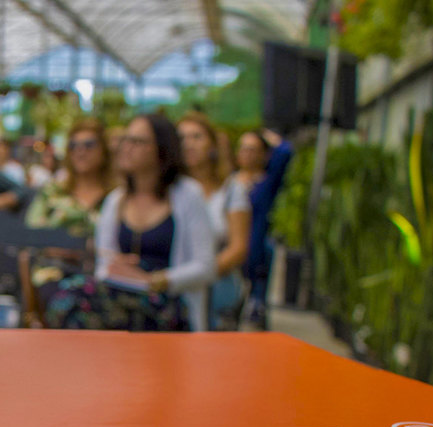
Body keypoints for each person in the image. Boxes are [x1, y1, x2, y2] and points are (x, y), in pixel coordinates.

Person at [43, 114, 215, 332]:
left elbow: (206, 267)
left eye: (137, 141)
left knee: (77, 304)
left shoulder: (188, 195)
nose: (126, 147)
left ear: (161, 149)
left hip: (170, 304)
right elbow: (104, 266)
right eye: (126, 140)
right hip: (122, 298)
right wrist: (118, 270)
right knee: (67, 299)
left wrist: (155, 280)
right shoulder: (116, 200)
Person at [21, 118, 114, 326]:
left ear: (104, 150)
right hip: (55, 272)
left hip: (104, 276)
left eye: (89, 145)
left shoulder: (116, 196)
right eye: (73, 145)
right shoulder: (53, 191)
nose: (80, 151)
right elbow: (32, 234)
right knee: (69, 305)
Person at [178, 112, 250, 330]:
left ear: (212, 145)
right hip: (174, 291)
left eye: (196, 136)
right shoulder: (170, 189)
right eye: (181, 138)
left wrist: (198, 274)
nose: (188, 144)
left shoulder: (231, 190)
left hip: (217, 289)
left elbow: (238, 248)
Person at [235, 128, 293, 328]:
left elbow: (285, 153)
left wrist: (274, 139)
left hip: (255, 254)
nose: (246, 154)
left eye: (252, 149)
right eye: (243, 148)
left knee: (254, 315)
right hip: (230, 256)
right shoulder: (230, 180)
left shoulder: (267, 182)